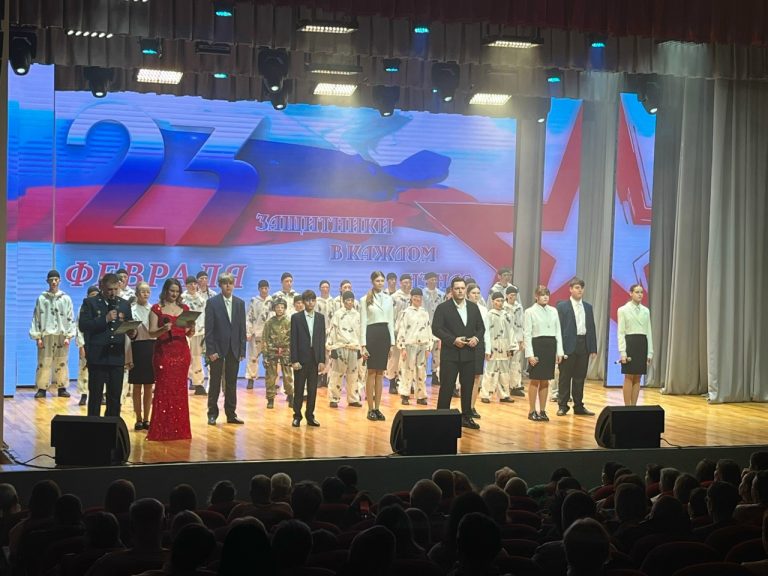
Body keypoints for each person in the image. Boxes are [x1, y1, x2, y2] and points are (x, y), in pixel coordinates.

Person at [431, 276, 486, 430]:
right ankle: (441, 418)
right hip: (450, 354)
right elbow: (436, 329)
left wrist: (476, 338)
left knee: (467, 387)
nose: (460, 291)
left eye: (462, 288)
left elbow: (481, 328)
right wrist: (453, 340)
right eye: (457, 288)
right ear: (452, 290)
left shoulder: (473, 307)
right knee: (447, 387)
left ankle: (466, 417)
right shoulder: (443, 308)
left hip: (469, 353)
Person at [79, 273, 134, 417]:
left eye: (116, 289)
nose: (113, 293)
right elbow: (83, 325)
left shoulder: (124, 304)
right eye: (110, 289)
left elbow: (129, 324)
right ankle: (94, 426)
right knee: (95, 396)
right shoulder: (90, 303)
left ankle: (112, 426)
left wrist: (132, 332)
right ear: (102, 286)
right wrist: (105, 319)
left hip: (116, 356)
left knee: (115, 397)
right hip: (98, 357)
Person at [147, 278, 194, 441]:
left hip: (182, 353)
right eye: (172, 291)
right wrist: (162, 329)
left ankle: (179, 430)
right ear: (165, 291)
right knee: (163, 389)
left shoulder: (185, 309)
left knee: (179, 391)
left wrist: (191, 329)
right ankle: (161, 429)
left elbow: (187, 333)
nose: (174, 294)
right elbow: (151, 332)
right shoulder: (157, 309)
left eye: (177, 291)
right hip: (164, 354)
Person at [204, 272, 246, 426]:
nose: (228, 286)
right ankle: (212, 414)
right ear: (220, 285)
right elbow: (209, 329)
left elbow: (242, 328)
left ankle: (231, 414)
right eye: (224, 283)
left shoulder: (240, 303)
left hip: (234, 349)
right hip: (217, 349)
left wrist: (242, 350)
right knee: (215, 382)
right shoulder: (212, 302)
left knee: (231, 383)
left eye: (230, 283)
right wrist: (210, 351)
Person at [30, 269, 76, 399]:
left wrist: (69, 336)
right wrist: (37, 337)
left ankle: (62, 387)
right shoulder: (42, 298)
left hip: (61, 335)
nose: (54, 282)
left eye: (56, 280)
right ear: (47, 281)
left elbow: (70, 317)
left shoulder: (65, 298)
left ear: (59, 281)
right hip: (46, 335)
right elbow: (36, 318)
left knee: (62, 361)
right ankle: (42, 388)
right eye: (51, 280)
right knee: (44, 361)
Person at [556, 277, 598, 416]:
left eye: (581, 288)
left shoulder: (588, 307)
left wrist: (593, 347)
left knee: (580, 377)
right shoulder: (562, 306)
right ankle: (563, 405)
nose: (580, 290)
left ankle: (578, 406)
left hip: (583, 344)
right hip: (568, 345)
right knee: (565, 377)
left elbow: (591, 327)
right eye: (577, 287)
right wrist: (559, 349)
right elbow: (559, 329)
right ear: (570, 289)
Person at [523, 285, 563, 422]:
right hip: (537, 345)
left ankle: (543, 410)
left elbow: (558, 332)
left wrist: (560, 351)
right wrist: (530, 354)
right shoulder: (530, 311)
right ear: (536, 296)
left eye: (547, 294)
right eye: (542, 294)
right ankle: (532, 410)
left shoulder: (553, 311)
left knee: (546, 380)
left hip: (550, 346)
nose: (545, 297)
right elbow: (527, 334)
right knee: (535, 379)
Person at [360, 271, 395, 422]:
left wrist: (392, 343)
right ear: (372, 282)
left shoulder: (389, 299)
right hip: (371, 335)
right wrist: (363, 345)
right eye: (377, 281)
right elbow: (362, 323)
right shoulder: (364, 299)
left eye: (382, 281)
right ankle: (370, 409)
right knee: (371, 372)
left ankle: (377, 408)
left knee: (380, 373)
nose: (380, 283)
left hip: (384, 335)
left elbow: (391, 321)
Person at [290, 290, 326, 427]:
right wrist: (294, 360)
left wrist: (322, 360)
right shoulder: (296, 318)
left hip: (314, 358)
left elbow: (321, 340)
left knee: (312, 390)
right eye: (308, 300)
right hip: (301, 358)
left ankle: (310, 416)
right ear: (303, 302)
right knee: (299, 389)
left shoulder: (320, 318)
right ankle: (297, 416)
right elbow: (293, 340)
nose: (311, 303)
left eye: (313, 300)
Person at [326, 291, 363, 408]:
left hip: (353, 347)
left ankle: (353, 398)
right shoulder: (338, 314)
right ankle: (334, 398)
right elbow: (332, 331)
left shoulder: (357, 315)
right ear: (343, 301)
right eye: (347, 300)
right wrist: (332, 348)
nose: (350, 302)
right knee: (336, 374)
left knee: (353, 374)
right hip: (340, 347)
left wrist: (360, 348)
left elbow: (360, 332)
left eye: (352, 300)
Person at [618, 283, 653, 406]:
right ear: (631, 293)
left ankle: (634, 406)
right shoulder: (623, 310)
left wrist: (650, 352)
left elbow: (649, 332)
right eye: (637, 292)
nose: (640, 294)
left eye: (641, 292)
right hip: (630, 344)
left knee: (638, 376)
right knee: (629, 376)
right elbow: (621, 332)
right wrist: (623, 352)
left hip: (642, 344)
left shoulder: (646, 311)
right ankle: (627, 407)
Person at [396, 287, 432, 406]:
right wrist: (402, 347)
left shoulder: (424, 313)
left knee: (421, 371)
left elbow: (428, 329)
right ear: (411, 298)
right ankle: (405, 395)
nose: (418, 299)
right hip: (409, 345)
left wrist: (429, 347)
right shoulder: (406, 312)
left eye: (420, 297)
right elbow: (402, 329)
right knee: (407, 370)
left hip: (422, 345)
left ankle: (421, 396)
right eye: (415, 297)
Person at [481, 292, 517, 404]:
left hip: (504, 345)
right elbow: (486, 332)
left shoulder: (507, 315)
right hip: (493, 345)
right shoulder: (489, 315)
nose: (500, 303)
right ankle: (486, 394)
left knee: (504, 371)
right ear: (493, 302)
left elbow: (511, 331)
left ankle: (504, 394)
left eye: (501, 300)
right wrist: (487, 348)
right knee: (490, 370)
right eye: (497, 301)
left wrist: (512, 347)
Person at [128, 282, 155, 431]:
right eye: (143, 291)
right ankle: (138, 418)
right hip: (136, 347)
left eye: (148, 291)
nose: (145, 294)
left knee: (149, 385)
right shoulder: (131, 310)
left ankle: (147, 418)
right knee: (137, 385)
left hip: (151, 347)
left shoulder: (153, 309)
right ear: (137, 293)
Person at [261, 297, 293, 409]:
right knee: (270, 376)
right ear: (274, 308)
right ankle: (270, 399)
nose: (280, 309)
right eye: (277, 307)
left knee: (288, 376)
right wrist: (265, 355)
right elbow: (264, 339)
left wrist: (292, 354)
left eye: (282, 307)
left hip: (286, 351)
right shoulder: (269, 323)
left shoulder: (289, 322)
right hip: (272, 351)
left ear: (285, 308)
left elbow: (293, 339)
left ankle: (291, 396)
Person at [465, 283, 489, 419]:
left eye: (478, 293)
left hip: (479, 345)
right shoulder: (463, 308)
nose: (476, 295)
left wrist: (488, 348)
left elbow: (487, 331)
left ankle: (472, 406)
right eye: (473, 293)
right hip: (465, 344)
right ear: (468, 294)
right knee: (465, 377)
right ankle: (465, 406)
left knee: (476, 377)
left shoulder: (484, 310)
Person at [181, 275, 207, 396]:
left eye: (194, 284)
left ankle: (198, 384)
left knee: (196, 358)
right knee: (183, 358)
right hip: (184, 333)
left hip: (199, 332)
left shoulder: (201, 299)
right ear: (186, 285)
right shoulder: (181, 299)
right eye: (190, 284)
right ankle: (181, 382)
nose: (193, 286)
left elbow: (205, 315)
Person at [386, 274, 412, 394]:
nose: (407, 285)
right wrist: (391, 332)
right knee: (394, 359)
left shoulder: (413, 296)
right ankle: (392, 382)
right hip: (397, 331)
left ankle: (406, 383)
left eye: (409, 282)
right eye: (405, 282)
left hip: (410, 333)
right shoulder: (394, 297)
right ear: (400, 283)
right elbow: (390, 315)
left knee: (408, 359)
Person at [75, 285, 100, 406]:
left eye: (96, 295)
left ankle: (101, 394)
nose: (94, 297)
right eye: (92, 295)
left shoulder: (103, 308)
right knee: (84, 369)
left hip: (99, 344)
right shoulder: (82, 309)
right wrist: (81, 345)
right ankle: (84, 394)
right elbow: (78, 328)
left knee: (100, 370)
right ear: (87, 296)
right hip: (87, 343)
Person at [245, 279, 272, 390]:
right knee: (253, 357)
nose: (264, 290)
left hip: (269, 335)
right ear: (259, 289)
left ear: (268, 289)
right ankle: (251, 379)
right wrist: (248, 332)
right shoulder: (254, 301)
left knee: (270, 359)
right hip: (256, 334)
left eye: (266, 288)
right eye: (262, 288)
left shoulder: (273, 301)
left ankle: (271, 381)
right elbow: (249, 317)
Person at [504, 285, 526, 397]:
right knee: (505, 363)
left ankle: (515, 386)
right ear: (507, 295)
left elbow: (522, 323)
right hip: (506, 338)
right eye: (511, 295)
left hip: (517, 337)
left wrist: (522, 340)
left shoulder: (519, 307)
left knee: (516, 363)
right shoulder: (503, 307)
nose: (513, 297)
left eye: (515, 295)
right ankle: (504, 386)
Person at [423, 272, 444, 386]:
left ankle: (436, 375)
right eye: (431, 279)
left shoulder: (441, 294)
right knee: (424, 352)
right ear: (426, 280)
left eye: (435, 279)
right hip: (424, 328)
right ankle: (422, 377)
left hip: (437, 327)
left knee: (437, 353)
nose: (434, 281)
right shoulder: (421, 294)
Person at [316, 280, 333, 388]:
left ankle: (326, 377)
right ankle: (318, 376)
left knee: (329, 355)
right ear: (320, 288)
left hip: (331, 331)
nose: (325, 289)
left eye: (327, 287)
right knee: (319, 354)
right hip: (319, 331)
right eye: (323, 287)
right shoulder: (317, 301)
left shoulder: (333, 301)